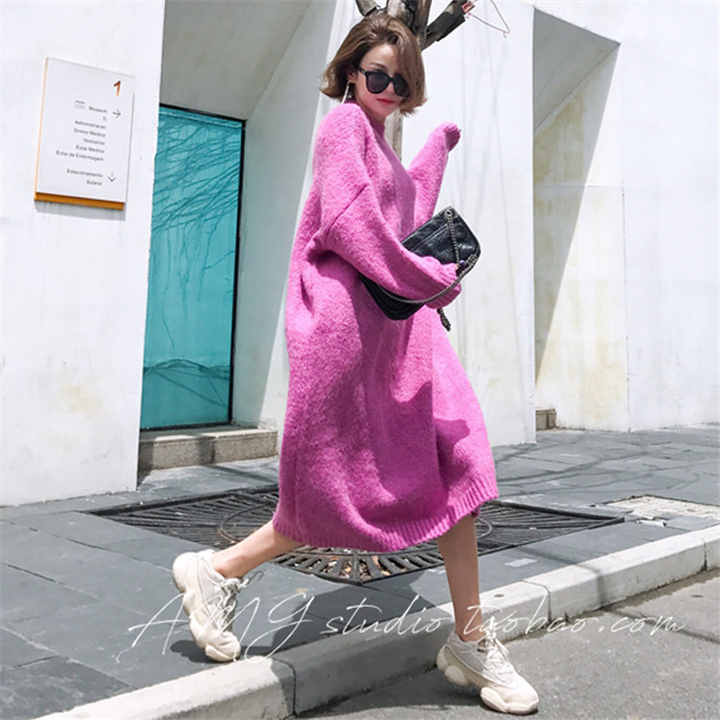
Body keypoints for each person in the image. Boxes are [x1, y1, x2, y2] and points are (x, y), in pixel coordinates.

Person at [171, 10, 538, 715]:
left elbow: (400, 215)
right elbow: (355, 227)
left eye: (402, 80)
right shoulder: (341, 127)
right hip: (345, 335)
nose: (390, 89)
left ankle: (471, 637)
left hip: (401, 331)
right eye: (378, 75)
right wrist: (427, 278)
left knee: (459, 463)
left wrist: (433, 154)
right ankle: (219, 571)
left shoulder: (378, 143)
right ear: (349, 71)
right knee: (330, 493)